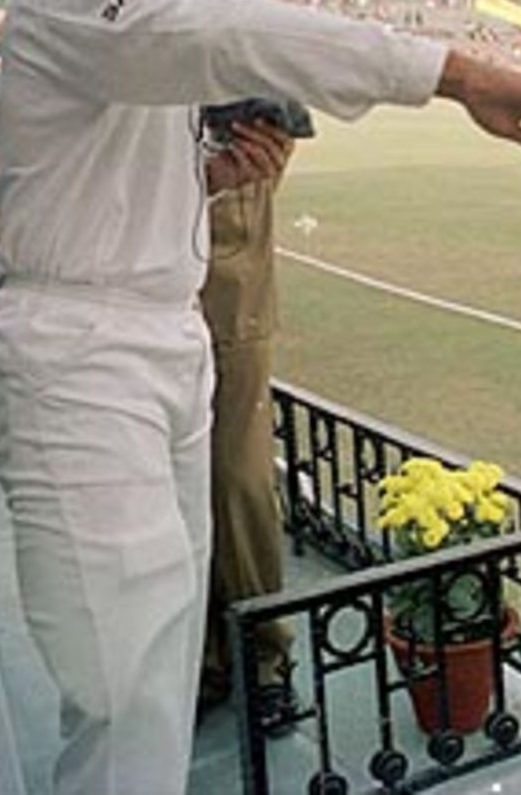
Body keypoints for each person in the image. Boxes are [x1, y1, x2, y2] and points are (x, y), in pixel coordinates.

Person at [0, 0, 521, 795]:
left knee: (160, 680)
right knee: (121, 692)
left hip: (157, 346)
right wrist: (456, 72)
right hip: (79, 361)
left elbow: (106, 159)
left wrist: (205, 172)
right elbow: (226, 32)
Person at [197, 168, 295, 728]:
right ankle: (206, 657)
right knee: (178, 496)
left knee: (241, 485)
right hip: (149, 313)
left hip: (233, 310)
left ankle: (265, 658)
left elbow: (274, 142)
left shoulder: (242, 96)